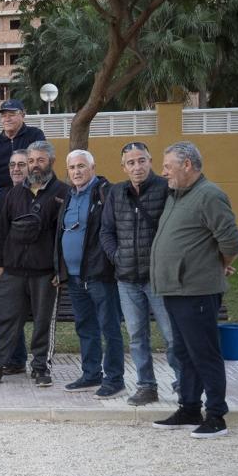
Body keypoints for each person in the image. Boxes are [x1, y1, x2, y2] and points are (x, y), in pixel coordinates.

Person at [150, 141, 238, 439]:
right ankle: (189, 408)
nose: (163, 172)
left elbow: (232, 242)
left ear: (187, 165)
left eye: (168, 166)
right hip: (176, 289)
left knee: (204, 353)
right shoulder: (177, 195)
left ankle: (216, 415)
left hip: (197, 290)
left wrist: (220, 263)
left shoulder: (210, 195)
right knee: (184, 352)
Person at [0, 140, 67, 386]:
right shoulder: (13, 193)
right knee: (4, 322)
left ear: (51, 162)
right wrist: (0, 265)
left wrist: (60, 269)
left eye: (40, 160)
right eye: (32, 161)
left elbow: (64, 237)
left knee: (43, 323)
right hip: (12, 271)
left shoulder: (62, 193)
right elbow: (2, 233)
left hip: (45, 273)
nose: (35, 166)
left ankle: (40, 368)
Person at [99, 141, 181, 405]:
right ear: (123, 167)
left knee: (172, 336)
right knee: (136, 337)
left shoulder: (166, 188)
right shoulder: (116, 192)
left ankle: (183, 384)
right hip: (127, 280)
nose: (137, 166)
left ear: (151, 161)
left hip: (159, 279)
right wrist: (116, 256)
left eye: (142, 160)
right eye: (131, 162)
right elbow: (106, 231)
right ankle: (147, 386)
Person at [56, 150, 123, 398]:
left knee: (109, 327)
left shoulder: (106, 193)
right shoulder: (69, 196)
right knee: (86, 327)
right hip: (74, 277)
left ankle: (115, 379)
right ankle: (91, 374)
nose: (76, 171)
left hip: (100, 275)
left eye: (81, 166)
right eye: (72, 167)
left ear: (92, 168)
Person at [0, 150, 31, 374]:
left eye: (21, 165)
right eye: (12, 164)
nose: (16, 169)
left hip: (32, 268)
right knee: (6, 313)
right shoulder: (1, 195)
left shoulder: (38, 193)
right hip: (6, 267)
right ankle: (15, 359)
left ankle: (38, 364)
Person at [0, 100, 47, 193]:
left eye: (11, 115)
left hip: (31, 192)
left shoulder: (35, 135)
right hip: (2, 194)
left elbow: (41, 162)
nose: (7, 119)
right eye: (3, 115)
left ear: (23, 116)